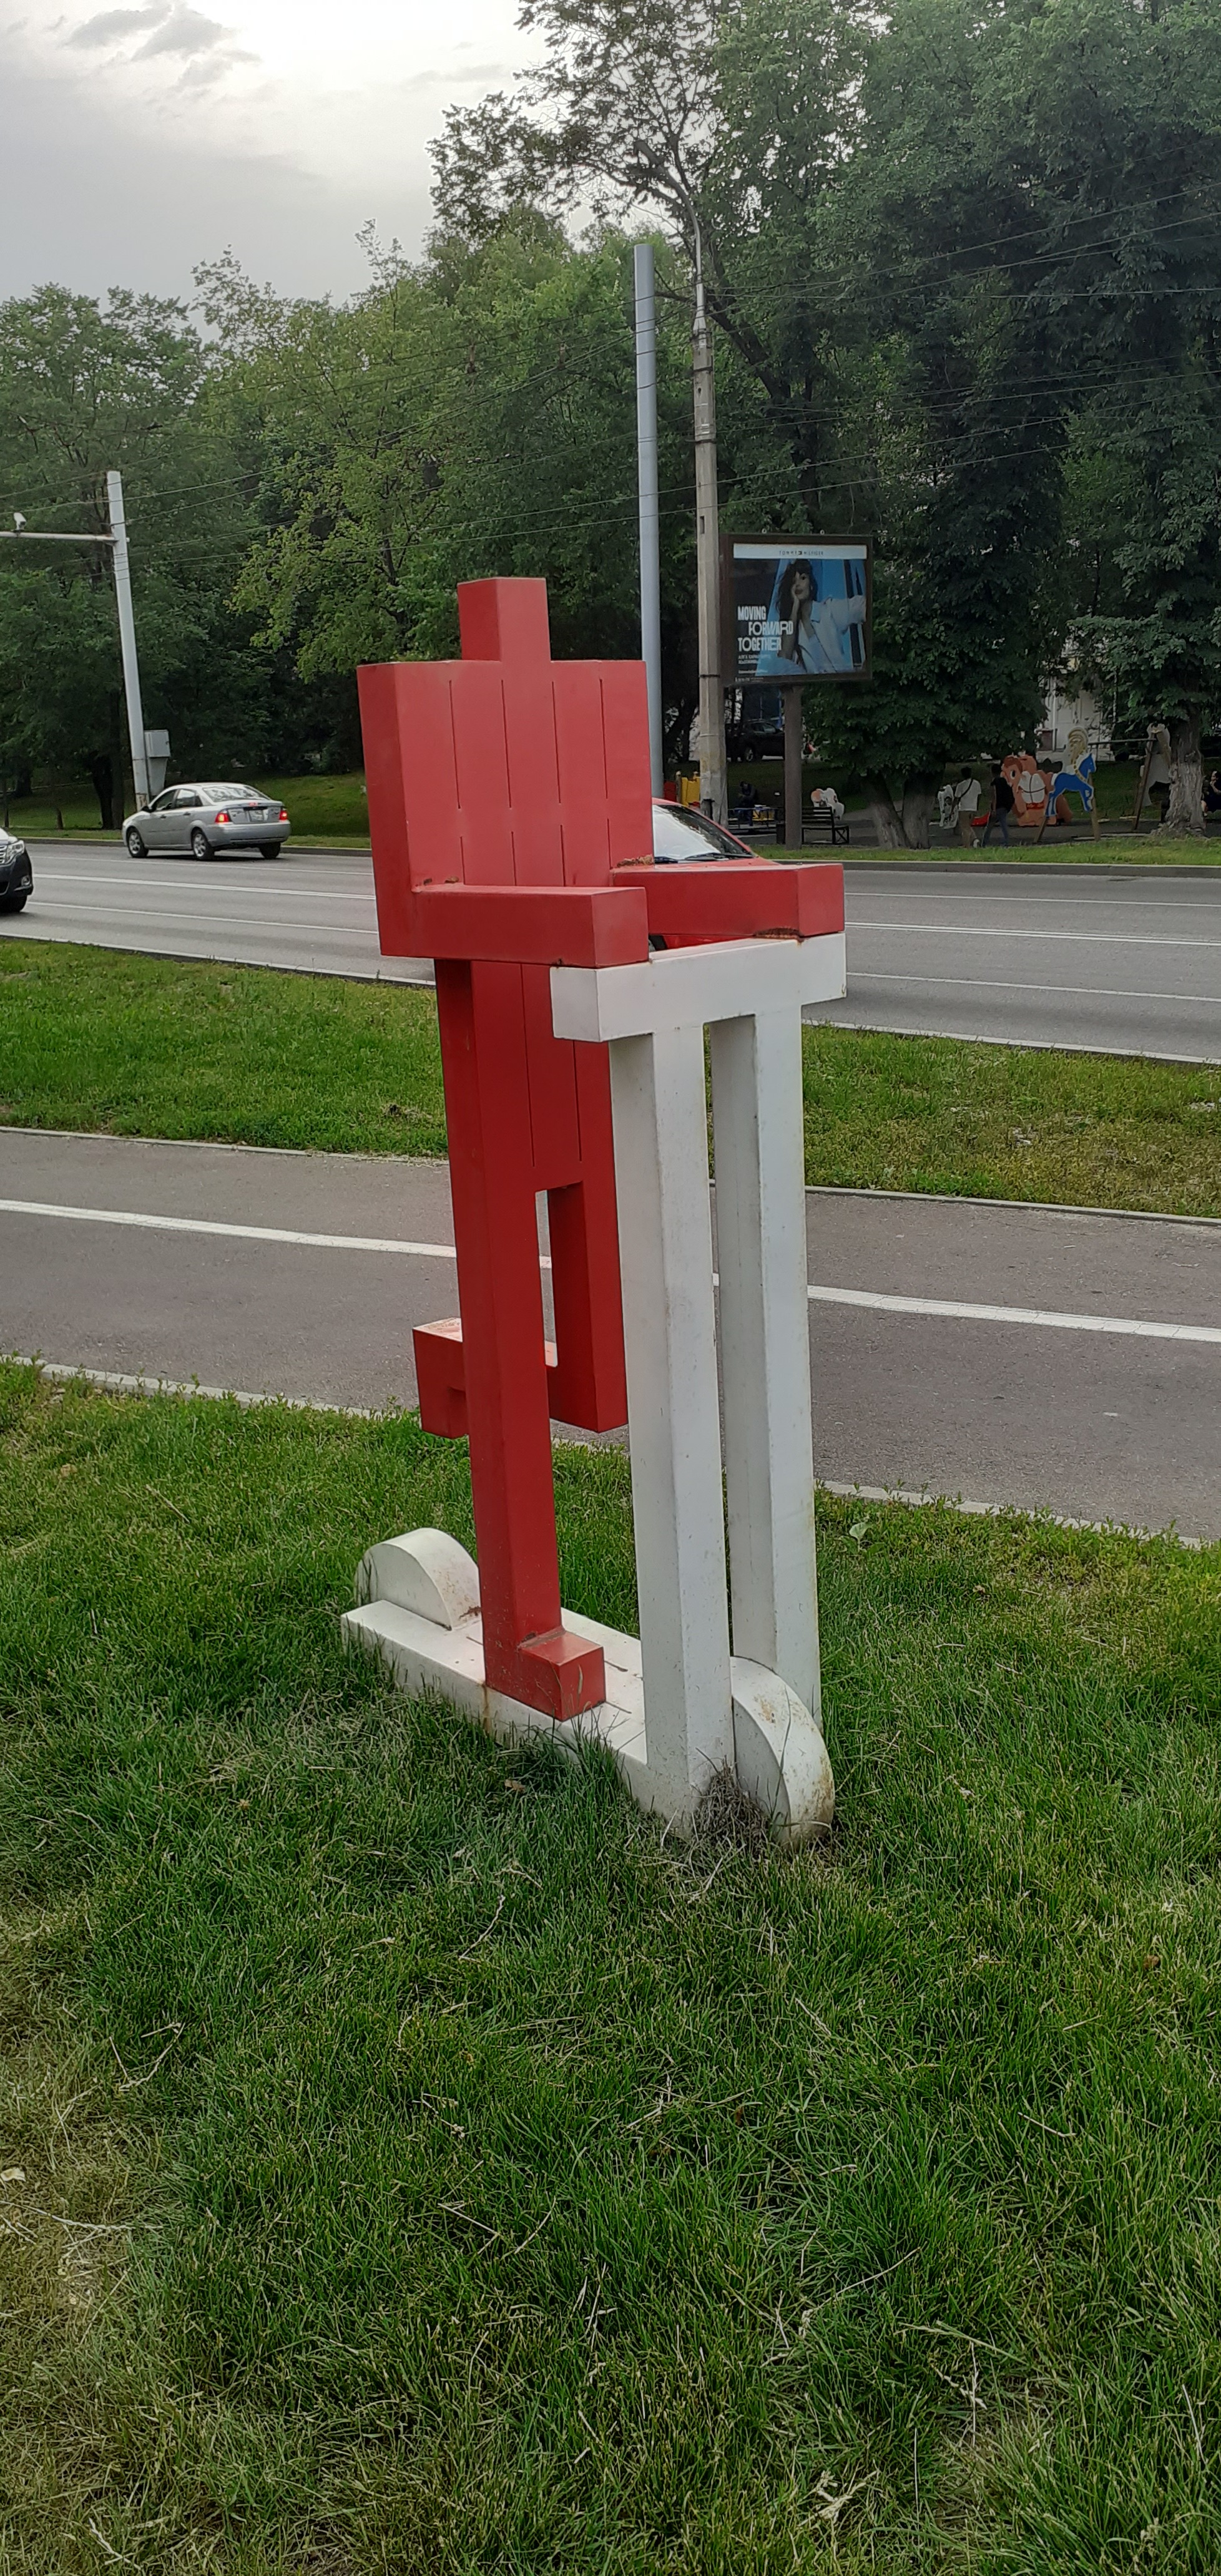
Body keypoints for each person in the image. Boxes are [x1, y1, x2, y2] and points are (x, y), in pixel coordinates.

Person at [762, 559, 866, 676]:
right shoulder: (793, 630)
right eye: (793, 581)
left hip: (841, 686)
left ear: (811, 585)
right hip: (816, 691)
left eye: (803, 578)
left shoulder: (828, 610)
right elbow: (784, 660)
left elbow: (862, 606)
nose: (798, 584)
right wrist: (795, 607)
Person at [976, 763, 1014, 846]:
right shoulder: (1004, 781)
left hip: (997, 807)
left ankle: (984, 843)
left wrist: (993, 809)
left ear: (992, 772)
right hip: (1004, 807)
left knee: (989, 826)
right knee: (1003, 825)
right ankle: (1006, 842)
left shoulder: (994, 783)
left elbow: (994, 796)